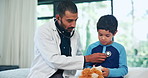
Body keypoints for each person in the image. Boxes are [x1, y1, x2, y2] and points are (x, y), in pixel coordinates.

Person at [27, 1, 107, 78]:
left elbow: (78, 55)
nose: (73, 25)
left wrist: (92, 66)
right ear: (58, 17)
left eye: (75, 20)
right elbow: (53, 60)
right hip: (45, 75)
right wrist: (87, 58)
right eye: (69, 21)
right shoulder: (44, 31)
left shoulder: (75, 33)